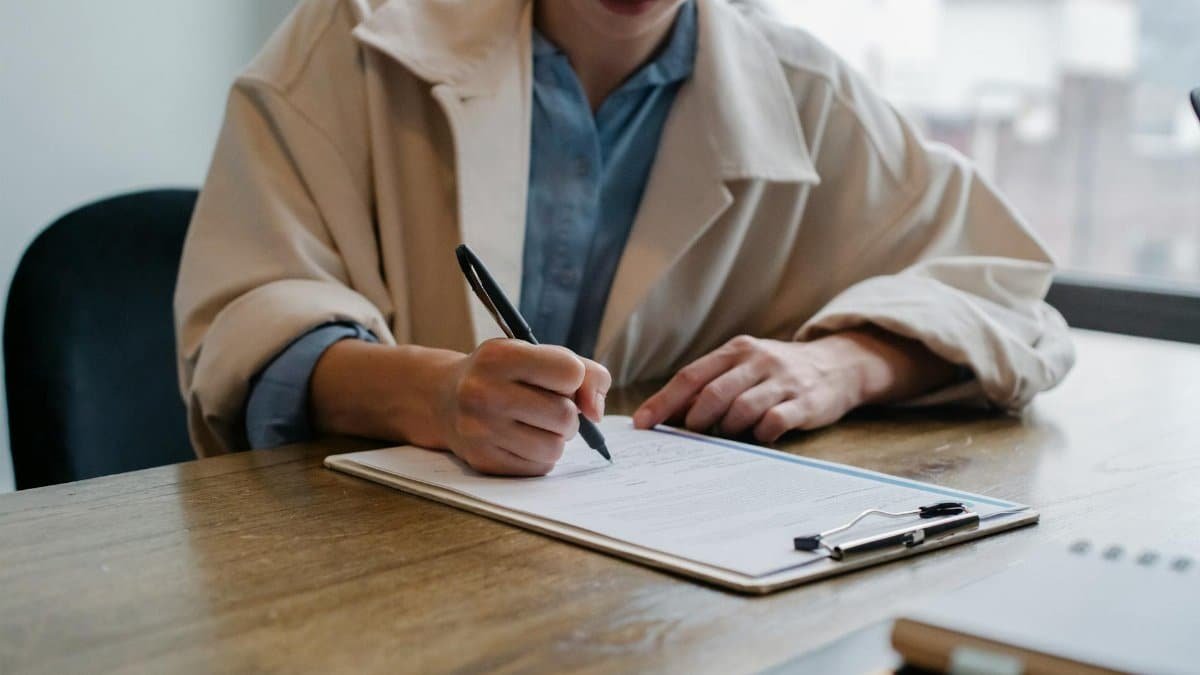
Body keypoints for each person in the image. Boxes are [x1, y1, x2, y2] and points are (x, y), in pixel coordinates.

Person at [175, 0, 1074, 476]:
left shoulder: (807, 93)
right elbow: (248, 326)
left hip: (664, 600)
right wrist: (435, 395)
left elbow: (1007, 292)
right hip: (365, 577)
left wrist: (842, 363)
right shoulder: (355, 32)